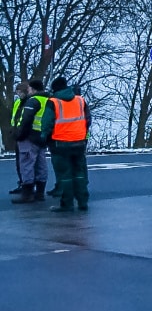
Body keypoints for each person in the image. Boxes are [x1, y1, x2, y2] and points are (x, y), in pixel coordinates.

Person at [41, 77, 90, 212]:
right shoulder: (80, 100)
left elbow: (46, 123)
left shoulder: (53, 102)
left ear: (54, 89)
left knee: (65, 175)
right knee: (79, 172)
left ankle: (67, 204)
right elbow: (88, 120)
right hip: (79, 143)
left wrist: (44, 137)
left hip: (60, 144)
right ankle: (82, 202)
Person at [10, 79, 49, 204]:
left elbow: (26, 119)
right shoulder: (49, 100)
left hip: (30, 136)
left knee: (26, 164)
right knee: (41, 165)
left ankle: (27, 194)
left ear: (33, 89)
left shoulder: (33, 101)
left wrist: (19, 135)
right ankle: (40, 193)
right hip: (42, 137)